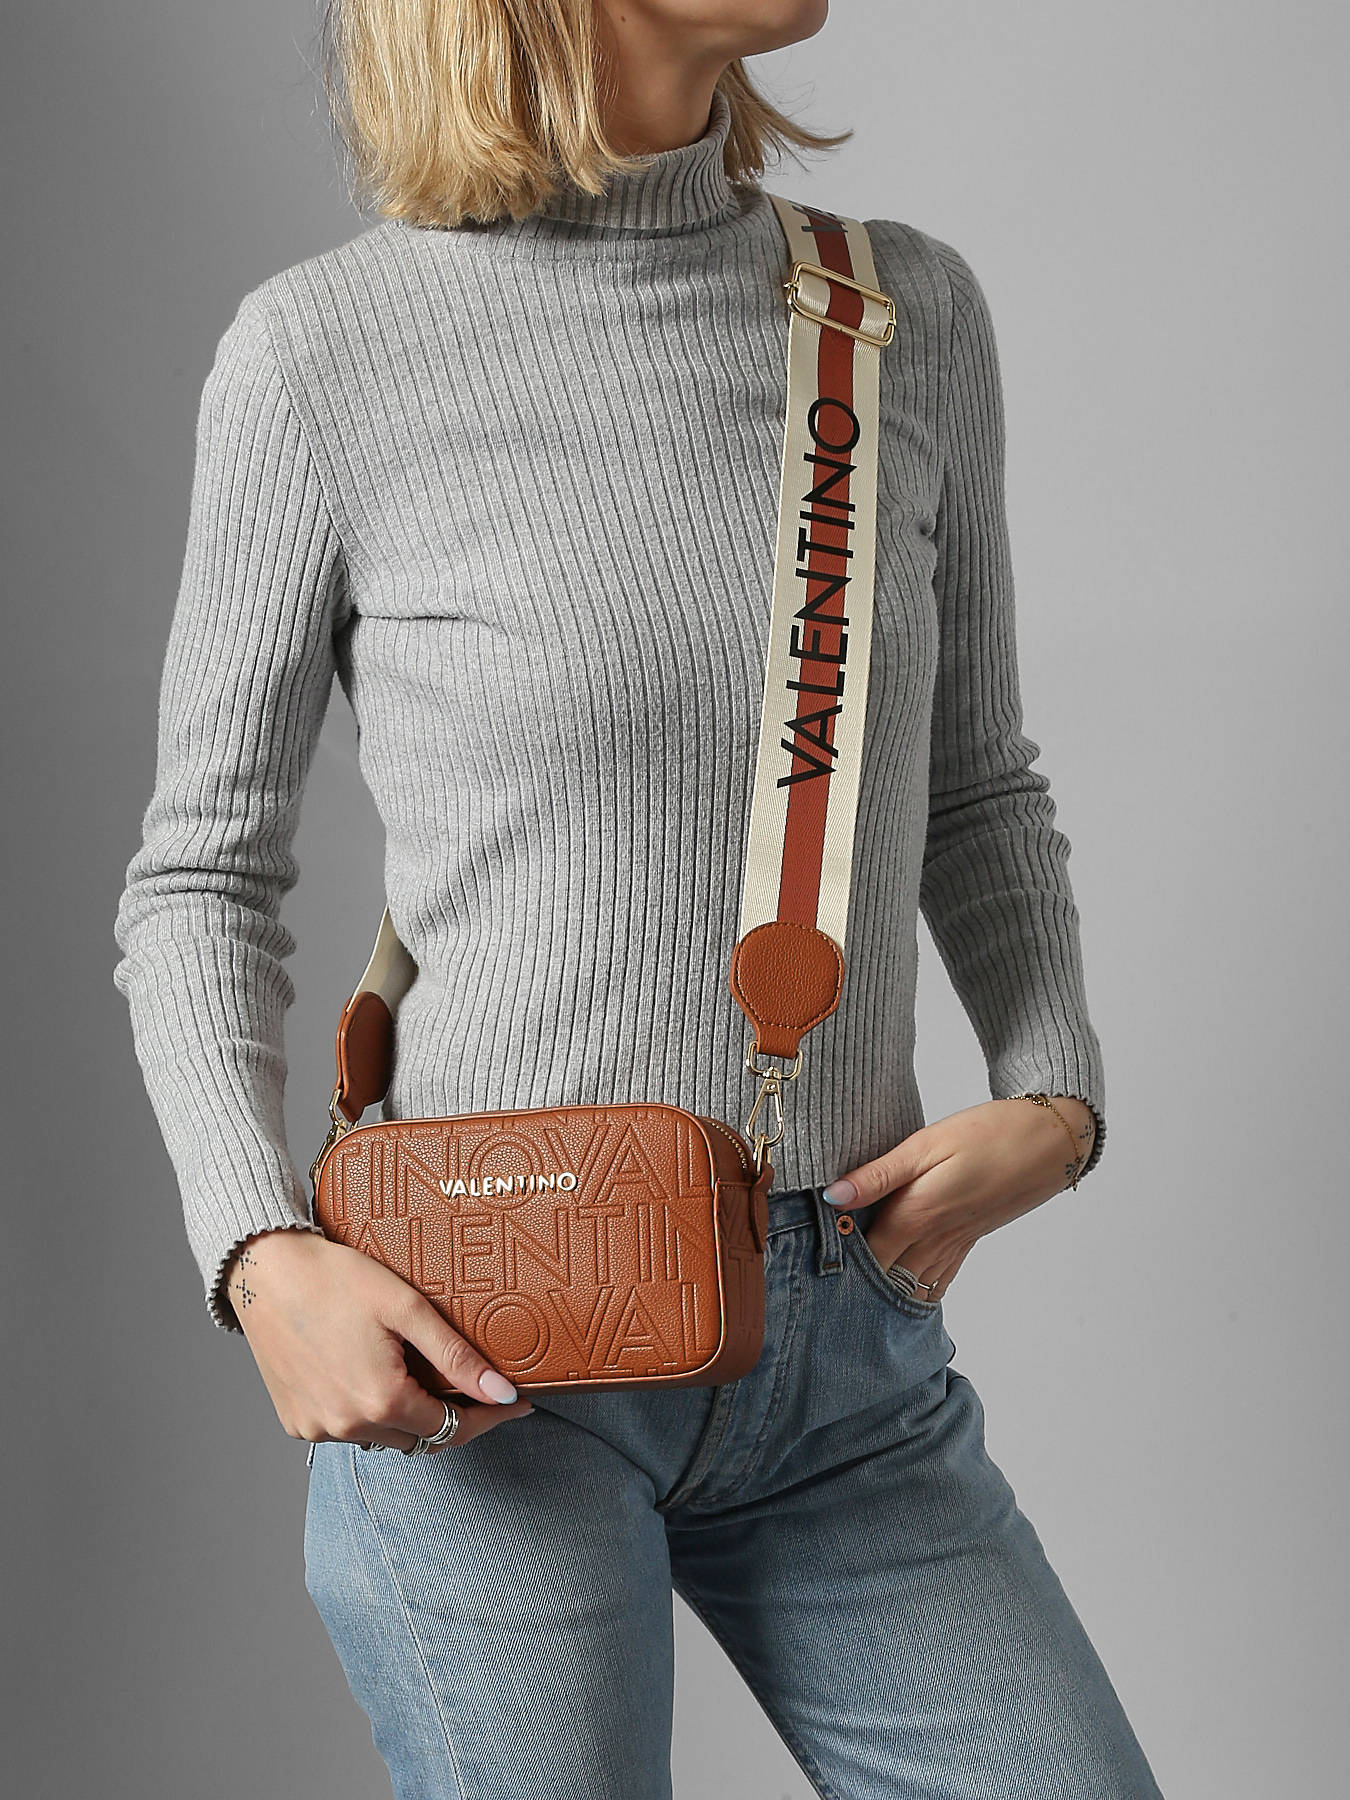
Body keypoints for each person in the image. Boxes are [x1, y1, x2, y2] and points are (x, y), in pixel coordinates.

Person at [112, 2, 1165, 1795]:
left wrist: (1055, 1093)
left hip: (846, 1346)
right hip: (487, 1361)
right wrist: (257, 1255)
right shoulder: (322, 352)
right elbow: (200, 876)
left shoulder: (895, 315)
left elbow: (975, 784)